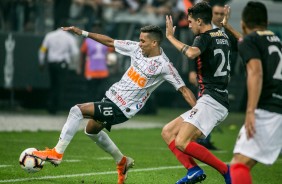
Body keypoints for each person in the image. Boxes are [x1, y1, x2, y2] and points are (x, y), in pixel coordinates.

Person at [32, 25, 197, 184]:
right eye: (139, 40)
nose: (140, 44)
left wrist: (199, 113)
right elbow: (110, 42)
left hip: (122, 109)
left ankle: (57, 153)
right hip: (110, 98)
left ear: (154, 43)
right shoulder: (136, 49)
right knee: (91, 131)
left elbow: (183, 90)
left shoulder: (164, 66)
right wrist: (82, 32)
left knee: (77, 110)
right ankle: (122, 161)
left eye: (143, 41)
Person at [161, 2, 231, 184]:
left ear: (200, 21)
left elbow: (191, 53)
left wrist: (170, 37)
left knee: (182, 141)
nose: (189, 24)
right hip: (213, 99)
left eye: (191, 21)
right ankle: (193, 170)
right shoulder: (222, 35)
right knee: (168, 131)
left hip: (213, 99)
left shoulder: (204, 37)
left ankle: (226, 170)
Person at [221, 2, 282, 184]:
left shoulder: (251, 41)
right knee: (241, 163)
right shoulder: (274, 38)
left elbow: (256, 72)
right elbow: (247, 43)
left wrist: (250, 111)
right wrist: (228, 27)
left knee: (238, 166)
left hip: (267, 109)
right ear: (266, 21)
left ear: (243, 22)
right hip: (277, 107)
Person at [39, 24, 79, 114]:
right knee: (60, 85)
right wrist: (74, 64)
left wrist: (41, 62)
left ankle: (51, 106)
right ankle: (56, 106)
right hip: (62, 64)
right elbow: (75, 52)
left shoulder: (49, 35)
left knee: (53, 84)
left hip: (52, 63)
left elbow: (42, 49)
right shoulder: (69, 37)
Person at [79, 21, 110, 101]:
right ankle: (90, 109)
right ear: (92, 28)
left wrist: (113, 65)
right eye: (95, 26)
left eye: (99, 26)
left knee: (101, 91)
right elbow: (82, 54)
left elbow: (110, 54)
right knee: (91, 91)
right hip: (91, 69)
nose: (97, 28)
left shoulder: (105, 39)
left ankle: (99, 108)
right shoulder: (88, 40)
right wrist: (79, 66)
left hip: (103, 69)